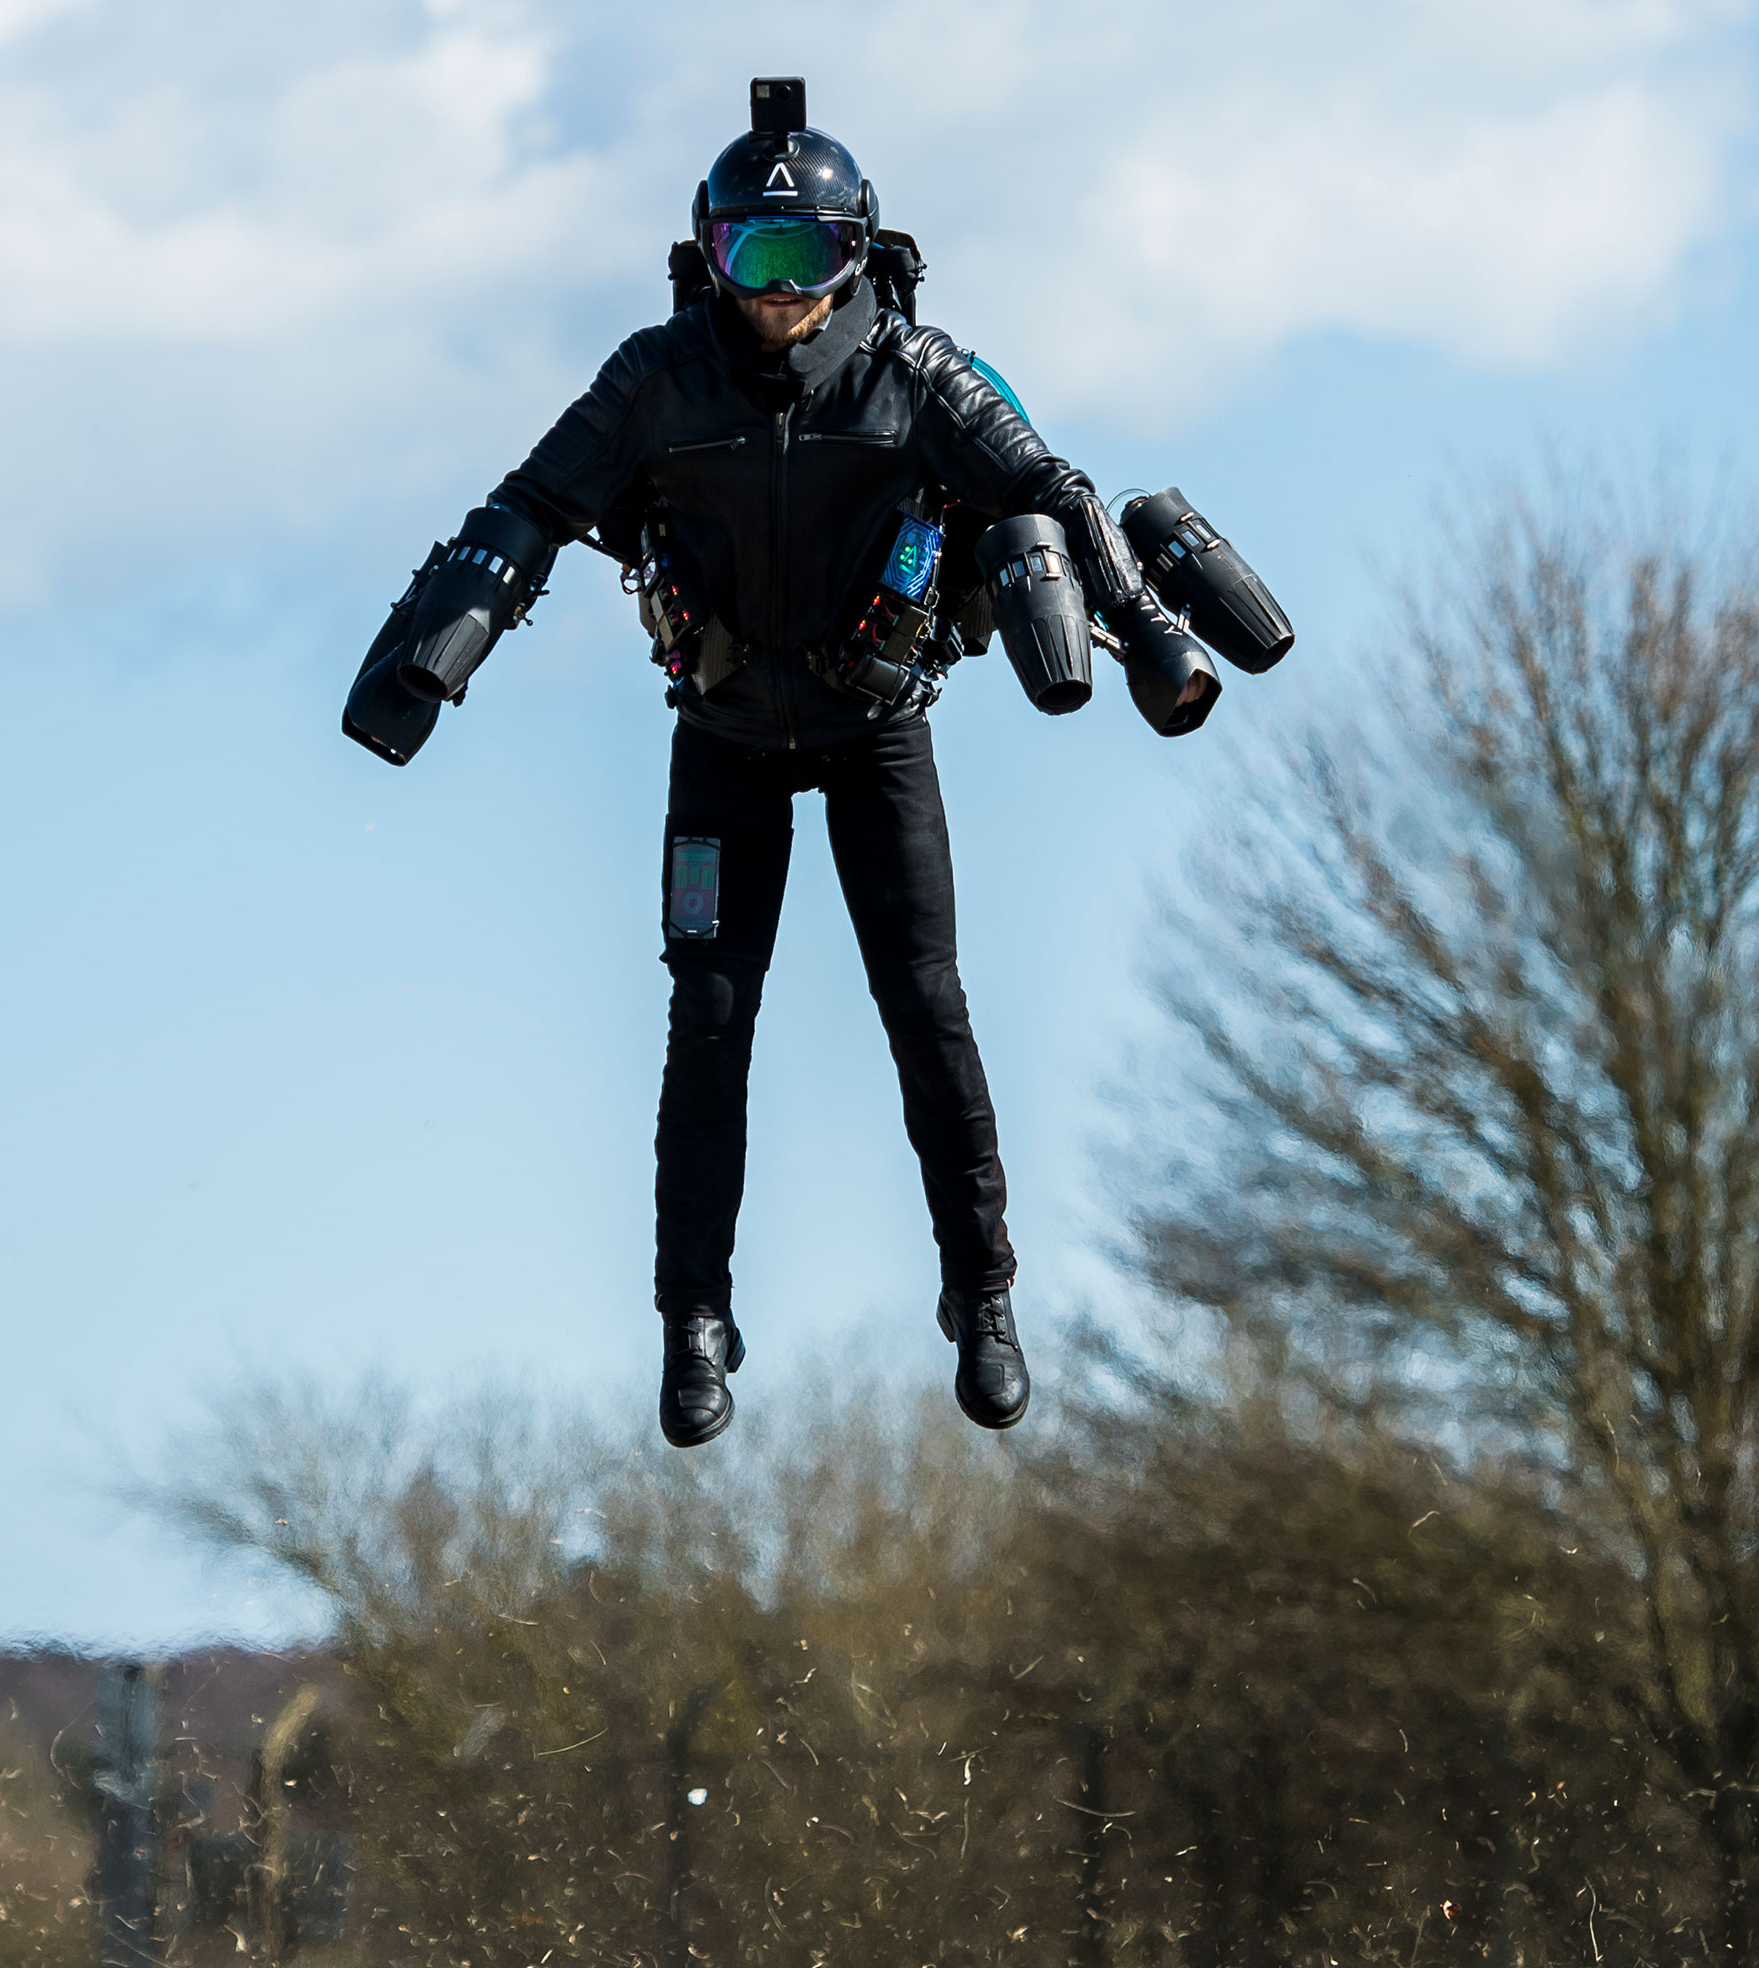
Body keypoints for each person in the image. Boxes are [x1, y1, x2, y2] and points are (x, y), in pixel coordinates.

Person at [343, 80, 1230, 1448]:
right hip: (727, 745)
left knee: (926, 1009)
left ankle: (983, 1301)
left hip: (879, 732)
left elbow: (1050, 492)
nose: (776, 293)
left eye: (805, 261)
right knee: (709, 1025)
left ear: (858, 259)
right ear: (708, 259)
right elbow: (528, 507)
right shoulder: (654, 381)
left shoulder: (920, 379)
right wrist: (430, 659)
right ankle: (694, 1322)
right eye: (747, 260)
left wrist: (1140, 629)